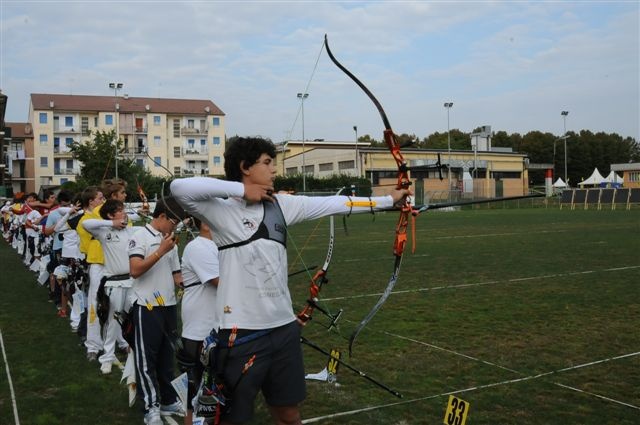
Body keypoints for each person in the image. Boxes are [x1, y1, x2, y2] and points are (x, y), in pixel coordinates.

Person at [170, 136, 411, 425]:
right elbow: (178, 188)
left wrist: (388, 200)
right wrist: (242, 190)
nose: (274, 169)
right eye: (267, 163)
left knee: (288, 415)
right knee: (230, 417)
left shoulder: (282, 205)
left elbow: (337, 203)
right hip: (241, 333)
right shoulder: (222, 210)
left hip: (284, 330)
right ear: (245, 167)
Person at [127, 196, 188, 425]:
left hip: (168, 305)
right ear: (161, 216)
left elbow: (176, 275)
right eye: (174, 221)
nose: (176, 225)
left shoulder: (169, 240)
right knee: (147, 360)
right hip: (146, 306)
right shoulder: (139, 236)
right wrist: (161, 251)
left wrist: (190, 284)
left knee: (166, 356)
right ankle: (151, 407)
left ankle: (169, 400)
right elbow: (135, 270)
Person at [81, 199, 133, 375]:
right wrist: (111, 223)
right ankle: (107, 357)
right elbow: (87, 223)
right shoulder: (104, 231)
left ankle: (133, 351)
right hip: (115, 282)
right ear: (111, 215)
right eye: (120, 210)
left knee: (133, 320)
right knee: (113, 321)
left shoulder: (131, 230)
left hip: (133, 282)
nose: (124, 212)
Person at [177, 217, 219, 425]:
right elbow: (217, 280)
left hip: (219, 320)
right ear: (205, 223)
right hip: (200, 321)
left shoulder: (219, 245)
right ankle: (190, 420)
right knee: (194, 379)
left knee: (218, 380)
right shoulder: (197, 247)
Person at [77, 186, 106, 361]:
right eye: (100, 198)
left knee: (119, 304)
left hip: (117, 265)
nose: (103, 201)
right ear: (91, 201)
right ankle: (93, 346)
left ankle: (122, 341)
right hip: (97, 263)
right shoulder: (86, 219)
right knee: (95, 304)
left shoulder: (109, 215)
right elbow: (88, 247)